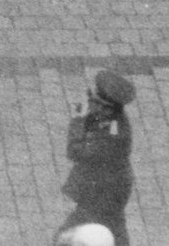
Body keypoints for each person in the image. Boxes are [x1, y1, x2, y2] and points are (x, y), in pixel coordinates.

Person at [61, 70, 136, 246]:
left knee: (66, 237)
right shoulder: (109, 119)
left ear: (106, 108)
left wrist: (77, 120)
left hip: (102, 193)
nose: (90, 103)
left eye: (94, 101)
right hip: (107, 188)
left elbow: (75, 151)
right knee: (114, 230)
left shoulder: (113, 135)